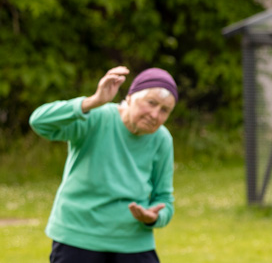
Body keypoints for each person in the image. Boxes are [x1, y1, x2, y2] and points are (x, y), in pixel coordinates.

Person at [29, 67, 179, 263]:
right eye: (151, 103)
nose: (155, 114)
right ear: (131, 96)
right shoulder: (96, 117)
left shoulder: (162, 139)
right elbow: (40, 122)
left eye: (164, 110)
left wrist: (154, 217)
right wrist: (93, 101)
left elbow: (164, 200)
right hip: (78, 237)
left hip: (132, 242)